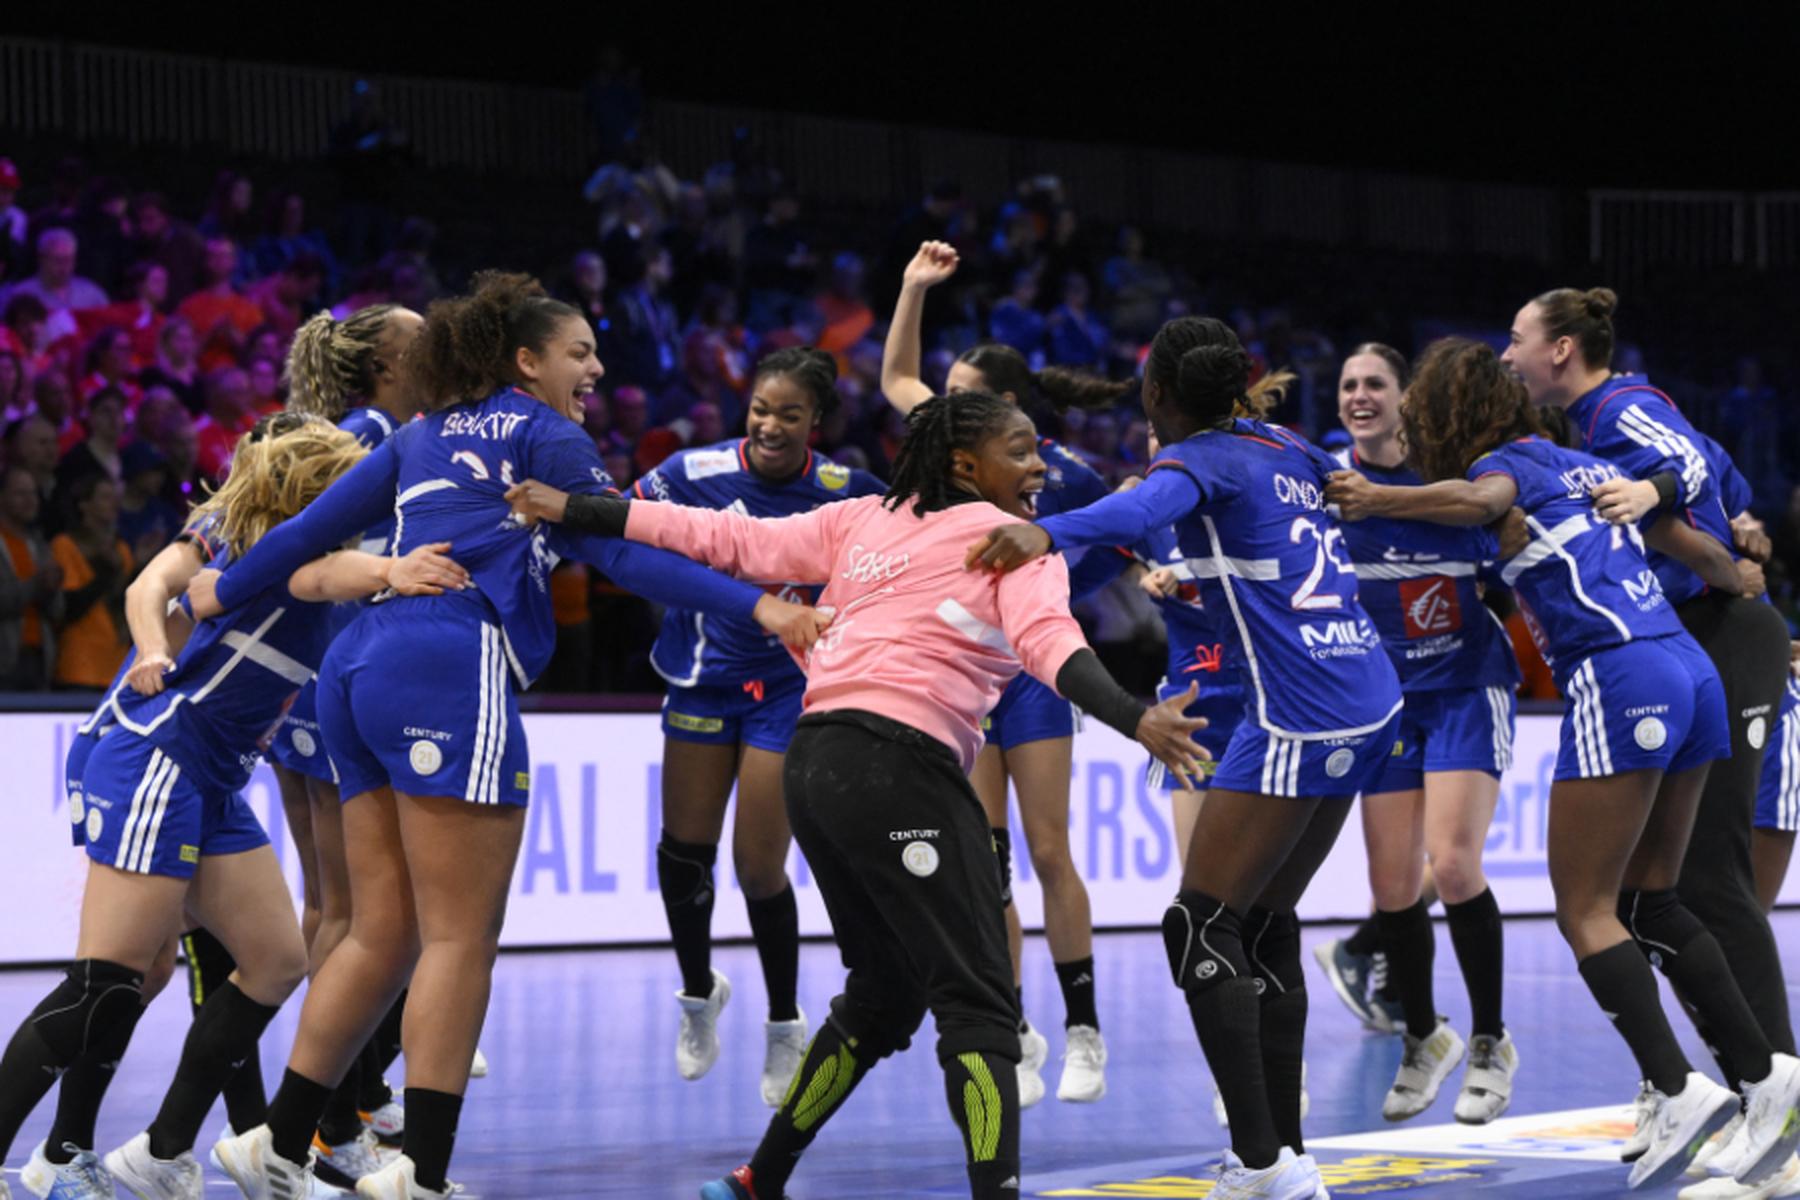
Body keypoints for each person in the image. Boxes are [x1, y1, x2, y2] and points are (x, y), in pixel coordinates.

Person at [192, 272, 826, 1200]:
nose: (597, 370)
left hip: (354, 673)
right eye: (581, 352)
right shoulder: (545, 434)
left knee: (383, 932)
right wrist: (759, 607)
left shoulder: (420, 435)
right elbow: (620, 553)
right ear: (526, 362)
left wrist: (217, 592)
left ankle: (276, 1142)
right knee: (460, 939)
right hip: (449, 662)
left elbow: (302, 535)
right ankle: (423, 1175)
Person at [505, 387, 1207, 1200]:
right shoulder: (1014, 544)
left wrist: (584, 509)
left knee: (884, 995)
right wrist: (1136, 718)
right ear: (963, 463)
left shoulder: (864, 517)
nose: (1040, 464)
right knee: (979, 1003)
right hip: (896, 770)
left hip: (816, 766)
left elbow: (724, 536)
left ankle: (757, 1179)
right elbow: (1051, 645)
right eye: (1021, 451)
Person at [1325, 336, 1800, 1192]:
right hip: (1691, 671)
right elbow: (1686, 540)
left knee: (1583, 910)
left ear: (1443, 413)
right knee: (1651, 897)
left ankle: (1677, 1084)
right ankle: (1771, 1077)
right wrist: (1746, 580)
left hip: (1620, 676)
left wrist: (1372, 495)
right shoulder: (1580, 463)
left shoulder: (1503, 471)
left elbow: (1477, 498)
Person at [965, 315, 1405, 1199]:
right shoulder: (1284, 441)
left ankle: (1259, 1163)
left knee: (1200, 924)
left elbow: (1139, 509)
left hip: (1302, 710)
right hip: (1372, 695)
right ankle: (1289, 1157)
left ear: (1159, 397)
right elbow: (1342, 490)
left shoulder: (1198, 459)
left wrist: (1046, 533)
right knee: (1263, 922)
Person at [0, 415, 469, 1200]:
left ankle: (155, 1151)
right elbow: (307, 580)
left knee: (276, 960)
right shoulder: (266, 543)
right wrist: (394, 568)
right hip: (159, 755)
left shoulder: (308, 545)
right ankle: (57, 1153)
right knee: (107, 983)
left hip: (215, 775)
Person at [1501, 287, 1799, 1164]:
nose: (1510, 355)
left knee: (1714, 880)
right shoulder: (1580, 435)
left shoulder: (1619, 406)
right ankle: (1747, 1093)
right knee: (1658, 887)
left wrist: (1660, 490)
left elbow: (1696, 470)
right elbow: (1728, 478)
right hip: (1684, 635)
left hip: (1721, 633)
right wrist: (1737, 521)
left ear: (1561, 350)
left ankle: (1778, 1105)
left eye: (1518, 340)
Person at [882, 241, 1130, 1104]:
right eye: (946, 399)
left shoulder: (1065, 477)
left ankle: (1085, 1029)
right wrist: (914, 288)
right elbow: (894, 378)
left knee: (1051, 848)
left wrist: (1054, 604)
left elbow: (1112, 545)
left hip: (1030, 678)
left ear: (1010, 406)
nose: (944, 409)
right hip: (963, 674)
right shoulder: (946, 445)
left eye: (964, 398)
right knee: (985, 865)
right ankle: (1015, 1026)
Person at [628, 346, 883, 1104]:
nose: (771, 426)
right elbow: (619, 527)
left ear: (818, 422)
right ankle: (699, 994)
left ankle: (783, 1022)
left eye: (790, 415)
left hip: (785, 690)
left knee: (758, 866)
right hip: (702, 679)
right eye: (760, 411)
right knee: (683, 855)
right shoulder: (688, 473)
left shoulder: (848, 491)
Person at [1318, 342, 1523, 1124]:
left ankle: (1490, 1042)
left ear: (1407, 397)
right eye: (1348, 384)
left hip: (1467, 688)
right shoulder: (1324, 485)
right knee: (1391, 886)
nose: (1360, 395)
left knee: (1456, 864)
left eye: (1375, 383)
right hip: (1388, 704)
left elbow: (1512, 547)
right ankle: (1422, 1037)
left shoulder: (1457, 479)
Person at [263, 303, 428, 1187]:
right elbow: (311, 557)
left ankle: (346, 1095)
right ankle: (331, 1118)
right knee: (355, 915)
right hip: (333, 678)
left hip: (306, 684)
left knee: (333, 909)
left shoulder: (357, 427)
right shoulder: (369, 437)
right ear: (389, 362)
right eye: (420, 337)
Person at [50, 474, 132, 690]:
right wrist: (107, 570)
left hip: (117, 665)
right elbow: (70, 607)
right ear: (84, 505)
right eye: (105, 497)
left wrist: (141, 563)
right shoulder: (65, 545)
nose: (113, 503)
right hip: (80, 664)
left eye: (115, 497)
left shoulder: (121, 549)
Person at [0, 464, 63, 690]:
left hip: (39, 659)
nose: (30, 500)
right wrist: (36, 585)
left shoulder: (39, 544)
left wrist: (52, 588)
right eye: (20, 493)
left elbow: (57, 611)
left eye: (33, 493)